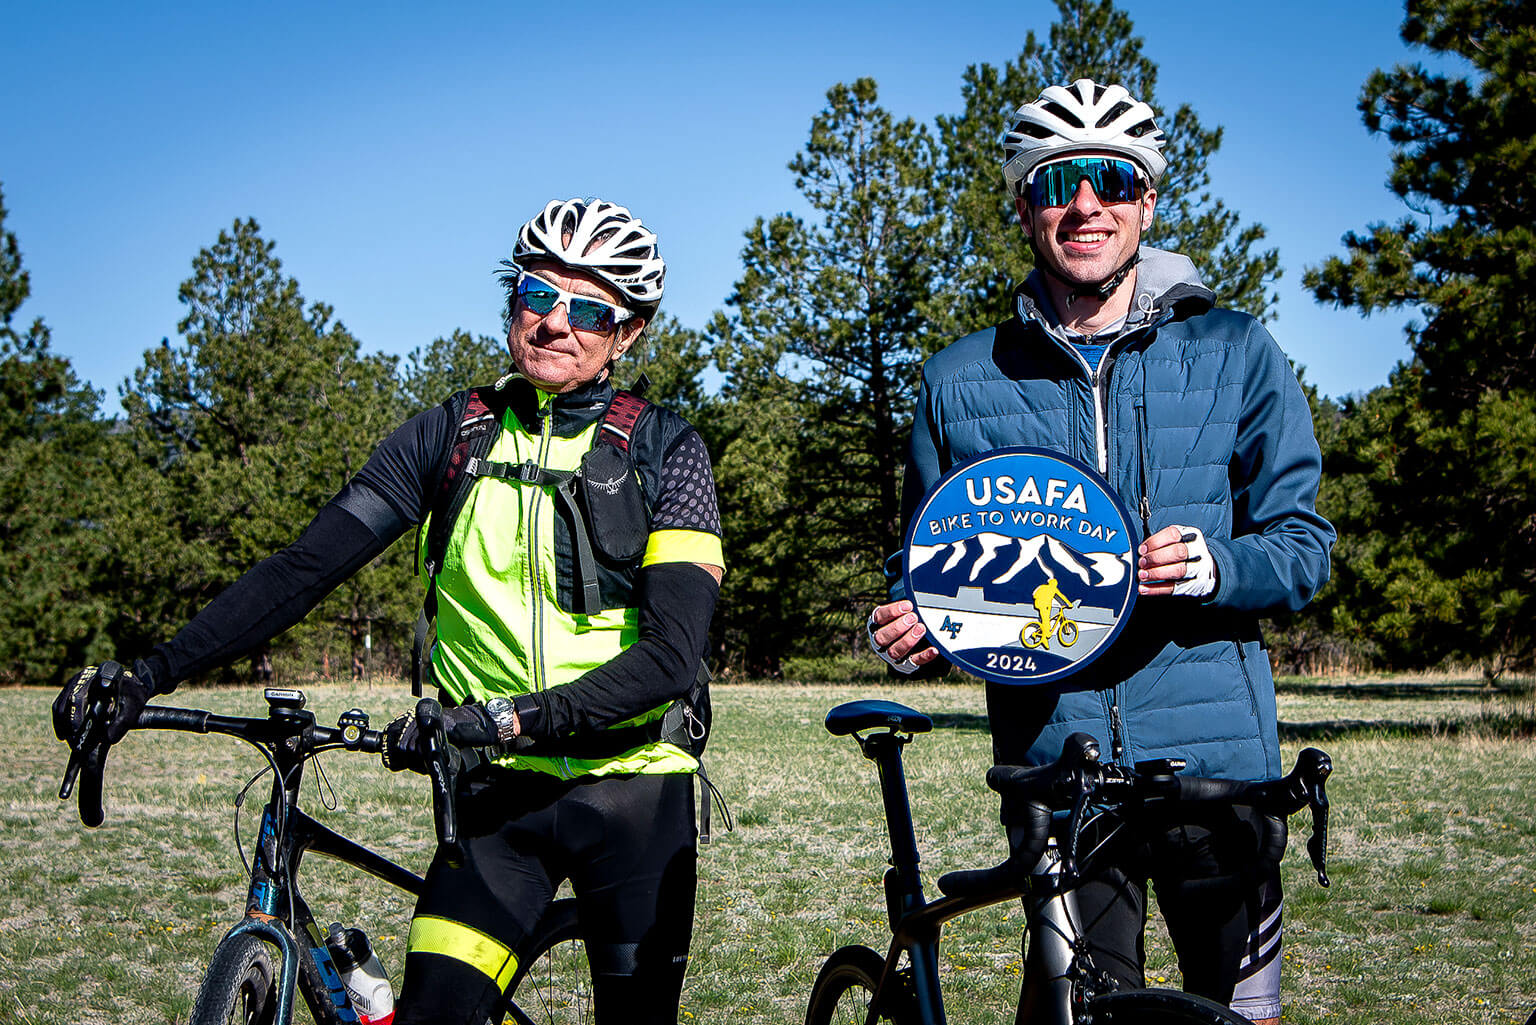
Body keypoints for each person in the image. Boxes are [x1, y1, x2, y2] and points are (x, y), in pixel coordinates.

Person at [53, 197, 725, 1025]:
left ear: (627, 334)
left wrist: (511, 718)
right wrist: (148, 674)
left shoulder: (667, 450)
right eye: (535, 295)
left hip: (633, 795)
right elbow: (303, 569)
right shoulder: (452, 436)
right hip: (492, 807)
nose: (554, 323)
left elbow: (669, 656)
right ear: (510, 304)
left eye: (587, 308)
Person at [868, 80, 1334, 1025]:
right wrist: (911, 620)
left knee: (1239, 1020)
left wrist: (1216, 567)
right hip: (1060, 773)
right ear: (1024, 204)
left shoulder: (1236, 349)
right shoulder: (960, 377)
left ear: (1148, 200)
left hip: (1220, 769)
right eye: (1058, 182)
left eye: (1113, 180)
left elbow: (1304, 546)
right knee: (1085, 1017)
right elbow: (927, 562)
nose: (1087, 205)